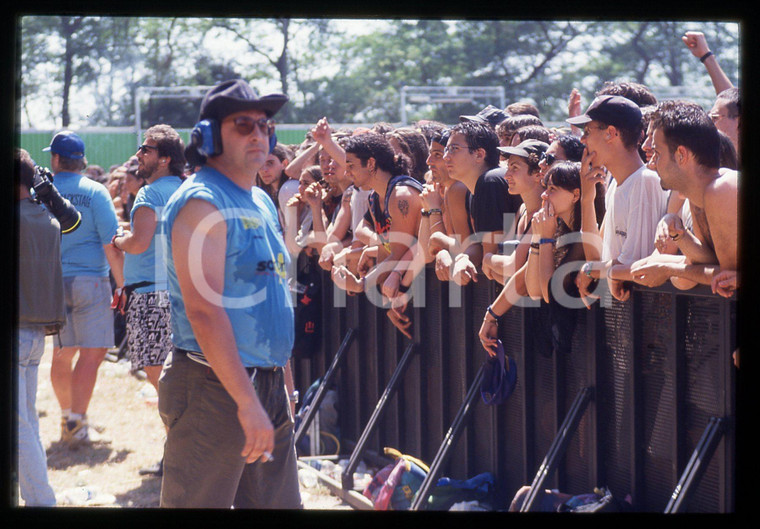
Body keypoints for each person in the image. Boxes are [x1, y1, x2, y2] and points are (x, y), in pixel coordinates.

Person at [159, 79, 301, 509]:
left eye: (264, 125)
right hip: (216, 386)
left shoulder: (259, 199)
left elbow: (272, 294)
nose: (259, 134)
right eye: (243, 125)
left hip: (265, 384)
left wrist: (282, 385)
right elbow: (204, 311)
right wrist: (247, 401)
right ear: (207, 135)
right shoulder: (202, 201)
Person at [110, 124, 186, 477]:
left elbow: (139, 243)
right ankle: (181, 454)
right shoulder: (188, 189)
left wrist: (119, 239)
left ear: (165, 158)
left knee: (164, 385)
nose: (139, 154)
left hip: (151, 294)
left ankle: (179, 457)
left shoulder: (148, 194)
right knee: (179, 382)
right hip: (183, 292)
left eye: (147, 149)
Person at [45, 131, 124, 448]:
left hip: (53, 282)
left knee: (62, 354)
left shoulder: (43, 193)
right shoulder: (96, 192)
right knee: (92, 355)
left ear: (55, 159)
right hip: (92, 281)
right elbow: (110, 242)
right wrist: (122, 283)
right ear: (82, 161)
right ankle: (77, 422)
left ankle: (68, 417)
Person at [566, 95, 668, 305]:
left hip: (650, 316)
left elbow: (632, 265)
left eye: (587, 132)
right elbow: (596, 256)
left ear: (611, 133)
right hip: (628, 318)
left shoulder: (644, 181)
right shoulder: (616, 184)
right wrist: (587, 198)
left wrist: (591, 271)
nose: (582, 140)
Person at [629, 99, 738, 290]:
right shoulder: (697, 195)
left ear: (681, 155)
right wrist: (678, 233)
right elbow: (707, 261)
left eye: (658, 153)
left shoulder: (721, 189)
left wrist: (667, 268)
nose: (652, 164)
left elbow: (725, 278)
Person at [16, 148, 65, 506]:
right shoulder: (46, 218)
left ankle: (41, 501)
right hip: (34, 333)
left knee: (21, 428)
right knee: (27, 423)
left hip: (17, 332)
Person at [441, 120, 522, 286]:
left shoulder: (489, 182)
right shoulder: (477, 189)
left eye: (454, 149)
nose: (446, 156)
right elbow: (481, 248)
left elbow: (490, 263)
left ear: (479, 154)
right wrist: (463, 257)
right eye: (446, 149)